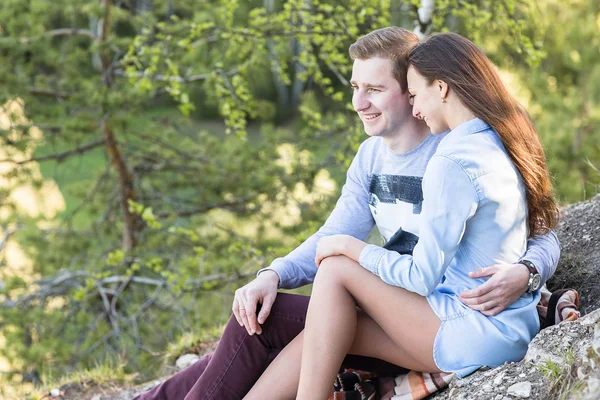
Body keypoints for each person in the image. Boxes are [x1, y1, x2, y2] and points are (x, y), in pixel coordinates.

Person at [135, 28, 559, 400]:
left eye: (374, 89)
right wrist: (272, 274)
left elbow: (538, 228)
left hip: (435, 315)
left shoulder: (452, 152)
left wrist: (527, 271)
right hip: (398, 308)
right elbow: (334, 232)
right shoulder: (372, 156)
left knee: (301, 300)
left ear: (415, 88)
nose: (359, 102)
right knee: (258, 320)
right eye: (355, 87)